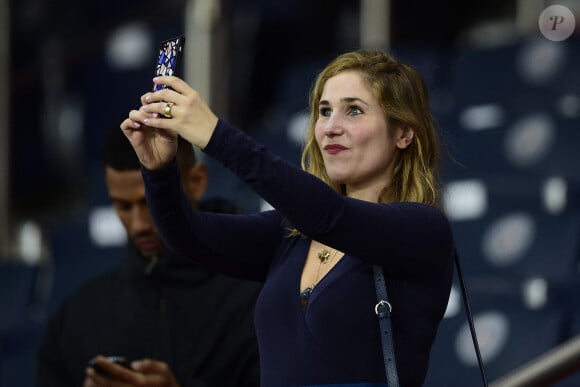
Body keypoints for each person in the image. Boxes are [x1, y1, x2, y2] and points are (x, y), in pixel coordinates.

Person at [121, 49, 456, 387]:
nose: (330, 128)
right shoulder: (290, 233)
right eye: (324, 112)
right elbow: (187, 235)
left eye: (354, 110)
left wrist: (215, 134)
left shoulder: (422, 230)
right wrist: (159, 170)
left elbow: (331, 215)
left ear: (403, 134)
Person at [36, 125, 261, 387]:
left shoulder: (262, 299)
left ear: (197, 182)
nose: (138, 224)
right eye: (122, 206)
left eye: (150, 201)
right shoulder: (77, 318)